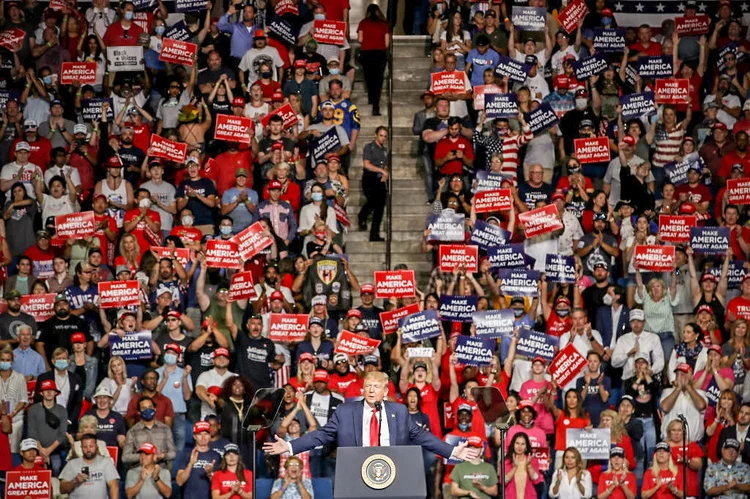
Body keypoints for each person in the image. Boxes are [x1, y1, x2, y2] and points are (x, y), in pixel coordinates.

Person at [263, 371, 481, 461]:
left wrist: (452, 451)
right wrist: (290, 447)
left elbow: (423, 437)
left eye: (376, 387)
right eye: (367, 386)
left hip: (392, 472)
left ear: (385, 392)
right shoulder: (345, 412)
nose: (370, 390)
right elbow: (321, 435)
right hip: (356, 473)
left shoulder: (399, 412)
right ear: (362, 389)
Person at [59, 434, 120, 498]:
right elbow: (62, 489)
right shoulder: (72, 464)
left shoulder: (106, 462)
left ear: (96, 446)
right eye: (85, 447)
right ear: (81, 447)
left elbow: (114, 486)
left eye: (91, 446)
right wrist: (75, 481)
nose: (88, 450)